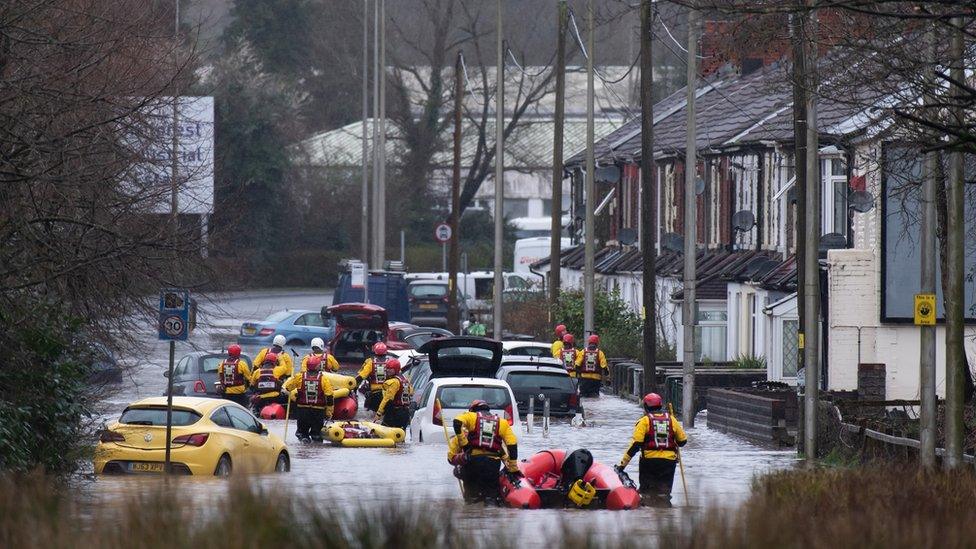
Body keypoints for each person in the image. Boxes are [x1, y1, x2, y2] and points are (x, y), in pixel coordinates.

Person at [617, 393, 687, 504]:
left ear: (646, 406)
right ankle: (665, 515)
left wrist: (622, 465)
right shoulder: (672, 420)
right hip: (669, 463)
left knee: (647, 495)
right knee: (664, 494)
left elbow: (635, 445)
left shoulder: (644, 421)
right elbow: (682, 441)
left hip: (649, 463)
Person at [449, 400, 519, 503]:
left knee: (472, 499)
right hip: (493, 465)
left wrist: (464, 444)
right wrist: (513, 467)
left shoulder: (471, 417)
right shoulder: (502, 423)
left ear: (472, 410)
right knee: (491, 499)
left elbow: (457, 422)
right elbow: (512, 444)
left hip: (473, 463)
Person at [284, 355, 335, 443]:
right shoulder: (324, 379)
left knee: (302, 433)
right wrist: (329, 412)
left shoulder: (299, 377)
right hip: (318, 411)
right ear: (317, 366)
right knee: (316, 434)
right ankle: (315, 451)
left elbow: (288, 388)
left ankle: (304, 445)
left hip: (302, 410)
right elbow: (329, 396)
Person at [373, 358, 412, 429]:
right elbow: (411, 393)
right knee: (400, 436)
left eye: (390, 369)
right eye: (387, 368)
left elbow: (387, 399)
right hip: (405, 413)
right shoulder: (406, 380)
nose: (388, 370)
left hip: (395, 413)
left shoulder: (394, 382)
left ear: (396, 369)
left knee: (384, 432)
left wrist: (378, 413)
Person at [354, 342, 390, 412]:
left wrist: (353, 387)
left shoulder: (370, 362)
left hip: (375, 394)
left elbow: (361, 377)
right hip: (388, 394)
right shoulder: (391, 362)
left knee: (371, 415)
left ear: (374, 351)